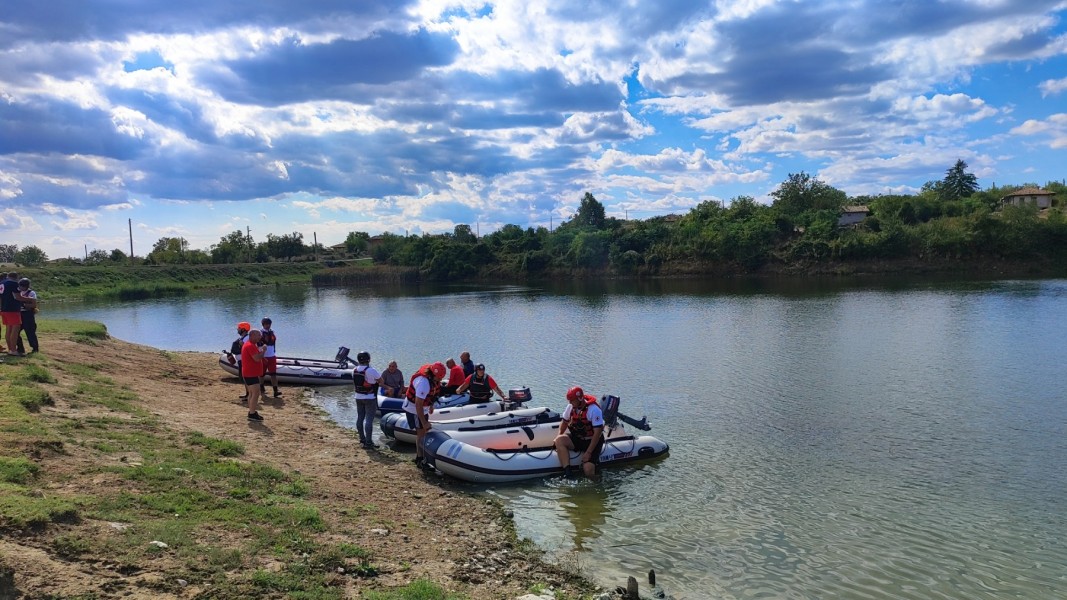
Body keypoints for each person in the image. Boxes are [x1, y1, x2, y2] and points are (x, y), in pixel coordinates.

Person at [554, 386, 605, 479]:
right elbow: (565, 422)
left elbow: (597, 433)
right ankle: (568, 473)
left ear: (580, 399)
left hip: (593, 441)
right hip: (578, 438)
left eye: (572, 400)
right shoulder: (571, 407)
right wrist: (559, 434)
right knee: (559, 440)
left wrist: (588, 452)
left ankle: (596, 480)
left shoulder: (594, 410)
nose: (569, 402)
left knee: (588, 470)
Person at [403, 361, 446, 470]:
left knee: (422, 433)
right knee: (422, 433)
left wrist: (430, 405)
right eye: (439, 378)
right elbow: (418, 405)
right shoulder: (423, 383)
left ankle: (419, 457)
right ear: (433, 374)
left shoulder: (432, 380)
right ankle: (420, 459)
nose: (440, 380)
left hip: (423, 408)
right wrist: (424, 422)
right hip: (414, 409)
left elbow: (433, 393)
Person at [352, 351, 381, 449]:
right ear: (368, 359)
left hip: (358, 397)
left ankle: (362, 439)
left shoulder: (354, 370)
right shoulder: (371, 370)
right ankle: (369, 442)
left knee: (360, 418)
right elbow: (381, 381)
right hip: (370, 398)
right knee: (369, 420)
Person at [241, 329, 267, 421]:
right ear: (252, 336)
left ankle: (251, 412)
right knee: (255, 393)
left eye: (260, 335)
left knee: (252, 393)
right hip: (250, 373)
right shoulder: (250, 345)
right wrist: (264, 351)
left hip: (249, 373)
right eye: (258, 335)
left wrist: (262, 358)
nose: (260, 337)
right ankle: (252, 413)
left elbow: (255, 357)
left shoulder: (251, 345)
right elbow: (256, 358)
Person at [0, 272, 23, 356]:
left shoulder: (1, 283)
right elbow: (17, 297)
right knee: (15, 329)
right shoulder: (13, 283)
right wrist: (30, 300)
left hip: (4, 309)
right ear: (16, 277)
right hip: (12, 309)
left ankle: (10, 349)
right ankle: (13, 350)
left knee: (8, 329)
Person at [15, 278, 38, 354]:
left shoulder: (31, 293)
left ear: (27, 286)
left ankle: (35, 348)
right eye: (20, 286)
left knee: (30, 332)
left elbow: (33, 304)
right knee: (15, 332)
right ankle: (20, 348)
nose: (21, 287)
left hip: (28, 314)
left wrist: (24, 305)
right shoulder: (17, 292)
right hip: (19, 314)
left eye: (23, 286)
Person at [230, 322, 252, 399]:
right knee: (244, 378)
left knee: (246, 378)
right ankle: (248, 393)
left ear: (243, 329)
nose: (237, 330)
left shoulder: (247, 338)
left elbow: (248, 348)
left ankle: (250, 394)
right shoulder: (244, 338)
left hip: (245, 361)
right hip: (242, 361)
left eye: (239, 328)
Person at [260, 318, 281, 397]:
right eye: (266, 324)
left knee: (273, 374)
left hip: (272, 356)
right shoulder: (260, 333)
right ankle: (261, 387)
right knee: (261, 374)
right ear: (263, 324)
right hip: (264, 356)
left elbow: (273, 342)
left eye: (269, 324)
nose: (268, 325)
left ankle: (275, 391)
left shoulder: (272, 332)